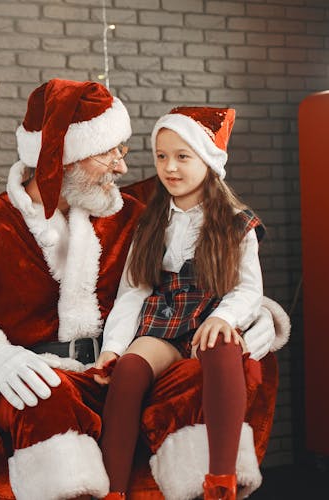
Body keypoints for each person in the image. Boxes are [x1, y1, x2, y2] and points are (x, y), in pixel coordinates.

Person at [0, 80, 286, 499]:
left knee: (212, 371)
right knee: (43, 397)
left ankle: (212, 486)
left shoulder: (135, 218)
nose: (121, 168)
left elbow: (199, 275)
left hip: (134, 370)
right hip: (51, 382)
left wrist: (251, 313)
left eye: (123, 151)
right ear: (61, 158)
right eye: (107, 153)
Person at [95, 107, 265, 500]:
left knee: (222, 346)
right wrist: (114, 348)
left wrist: (224, 317)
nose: (170, 167)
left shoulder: (237, 222)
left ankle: (221, 481)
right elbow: (133, 291)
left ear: (208, 159)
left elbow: (248, 289)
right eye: (161, 156)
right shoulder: (152, 222)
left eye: (182, 156)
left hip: (207, 319)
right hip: (162, 323)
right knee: (130, 371)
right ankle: (113, 491)